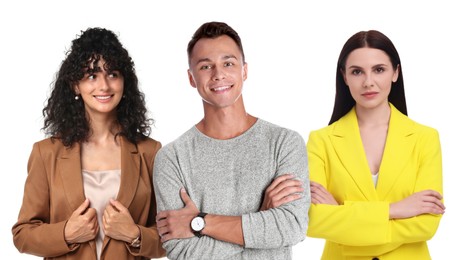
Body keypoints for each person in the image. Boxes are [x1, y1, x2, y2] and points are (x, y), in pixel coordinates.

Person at [153, 21, 310, 260]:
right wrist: (261, 218)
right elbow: (181, 251)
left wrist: (200, 223)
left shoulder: (284, 143)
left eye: (228, 63)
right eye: (206, 66)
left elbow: (293, 226)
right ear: (191, 78)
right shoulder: (172, 158)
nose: (218, 75)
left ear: (244, 71)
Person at [12, 27, 165, 260]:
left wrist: (135, 234)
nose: (104, 86)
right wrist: (66, 234)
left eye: (112, 74)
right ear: (76, 85)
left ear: (125, 82)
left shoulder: (150, 152)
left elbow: (171, 237)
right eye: (92, 76)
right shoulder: (46, 153)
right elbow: (23, 234)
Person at [306, 30, 445, 259]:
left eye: (379, 70)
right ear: (345, 76)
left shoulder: (425, 138)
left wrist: (342, 218)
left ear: (395, 72)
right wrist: (395, 210)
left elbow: (425, 226)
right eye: (357, 72)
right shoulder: (321, 141)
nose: (368, 82)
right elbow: (312, 220)